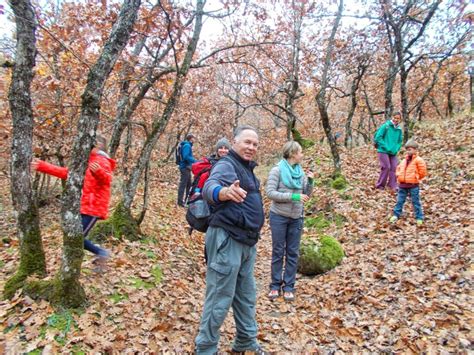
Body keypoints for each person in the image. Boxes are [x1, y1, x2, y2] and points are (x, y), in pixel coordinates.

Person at [195, 125, 266, 355]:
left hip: (246, 242)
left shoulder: (247, 169)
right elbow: (210, 187)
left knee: (246, 295)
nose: (251, 147)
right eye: (247, 142)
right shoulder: (227, 165)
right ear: (235, 142)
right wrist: (223, 193)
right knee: (219, 297)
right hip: (227, 240)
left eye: (255, 144)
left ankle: (246, 340)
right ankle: (205, 349)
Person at [31, 135, 114, 270]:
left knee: (77, 237)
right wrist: (42, 166)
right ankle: (98, 254)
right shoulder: (87, 161)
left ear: (98, 146)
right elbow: (68, 174)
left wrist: (98, 171)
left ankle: (101, 253)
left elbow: (108, 179)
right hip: (85, 206)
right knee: (74, 235)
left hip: (94, 208)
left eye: (92, 143)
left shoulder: (102, 161)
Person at [266, 141, 314, 302]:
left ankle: (289, 286)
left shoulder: (300, 173)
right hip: (279, 216)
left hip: (296, 217)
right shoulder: (277, 170)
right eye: (300, 152)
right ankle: (274, 285)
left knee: (293, 253)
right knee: (278, 251)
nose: (302, 154)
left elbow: (306, 195)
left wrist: (311, 181)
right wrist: (293, 196)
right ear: (293, 154)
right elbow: (270, 193)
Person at [390, 139, 427, 226]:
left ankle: (419, 217)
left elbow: (423, 171)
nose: (408, 151)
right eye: (407, 149)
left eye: (410, 149)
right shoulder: (404, 160)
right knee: (400, 201)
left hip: (413, 185)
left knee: (415, 202)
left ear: (415, 150)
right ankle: (396, 215)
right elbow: (398, 169)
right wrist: (399, 176)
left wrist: (416, 177)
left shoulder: (418, 160)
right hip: (403, 185)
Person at [374, 112, 403, 191]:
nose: (396, 119)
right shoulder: (385, 126)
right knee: (386, 167)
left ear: (400, 120)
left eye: (398, 118)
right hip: (383, 150)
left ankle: (392, 185)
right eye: (395, 117)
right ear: (392, 117)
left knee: (395, 167)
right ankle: (380, 185)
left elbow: (399, 141)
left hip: (393, 152)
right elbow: (378, 138)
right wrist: (386, 147)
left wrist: (396, 149)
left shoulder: (399, 130)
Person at [177, 133, 197, 207]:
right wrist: (195, 161)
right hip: (185, 167)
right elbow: (185, 157)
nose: (194, 140)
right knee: (183, 184)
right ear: (191, 139)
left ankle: (186, 201)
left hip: (186, 167)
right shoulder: (187, 146)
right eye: (194, 138)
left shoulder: (186, 145)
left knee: (189, 184)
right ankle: (180, 202)